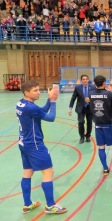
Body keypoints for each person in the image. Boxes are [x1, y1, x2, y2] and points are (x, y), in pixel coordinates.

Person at [17, 81, 67, 214]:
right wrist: (54, 101)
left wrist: (49, 100)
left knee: (27, 172)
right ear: (26, 92)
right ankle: (50, 206)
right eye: (35, 90)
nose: (39, 92)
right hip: (34, 145)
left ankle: (27, 204)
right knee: (48, 172)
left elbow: (40, 112)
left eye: (39, 90)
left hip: (23, 143)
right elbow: (50, 117)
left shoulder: (21, 103)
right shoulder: (30, 108)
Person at [89, 75, 112, 176]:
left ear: (94, 83)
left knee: (101, 147)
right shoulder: (108, 94)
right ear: (104, 83)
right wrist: (110, 92)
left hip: (98, 124)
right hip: (109, 124)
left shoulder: (90, 95)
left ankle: (105, 168)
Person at [68, 75, 96, 143]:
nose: (85, 80)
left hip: (89, 108)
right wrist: (70, 108)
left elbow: (95, 97)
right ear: (81, 80)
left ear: (88, 80)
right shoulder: (78, 87)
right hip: (81, 108)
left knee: (89, 123)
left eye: (86, 79)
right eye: (83, 79)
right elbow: (73, 98)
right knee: (80, 122)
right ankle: (82, 137)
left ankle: (88, 136)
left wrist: (90, 99)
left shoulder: (92, 87)